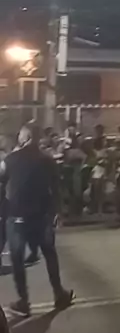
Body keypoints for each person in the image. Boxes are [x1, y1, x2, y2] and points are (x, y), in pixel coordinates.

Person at [0, 122, 74, 318]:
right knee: (49, 254)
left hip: (16, 217)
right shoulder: (47, 160)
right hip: (41, 217)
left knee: (17, 259)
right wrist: (58, 212)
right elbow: (56, 189)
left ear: (25, 138)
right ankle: (59, 293)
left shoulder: (10, 159)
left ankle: (23, 301)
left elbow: (1, 183)